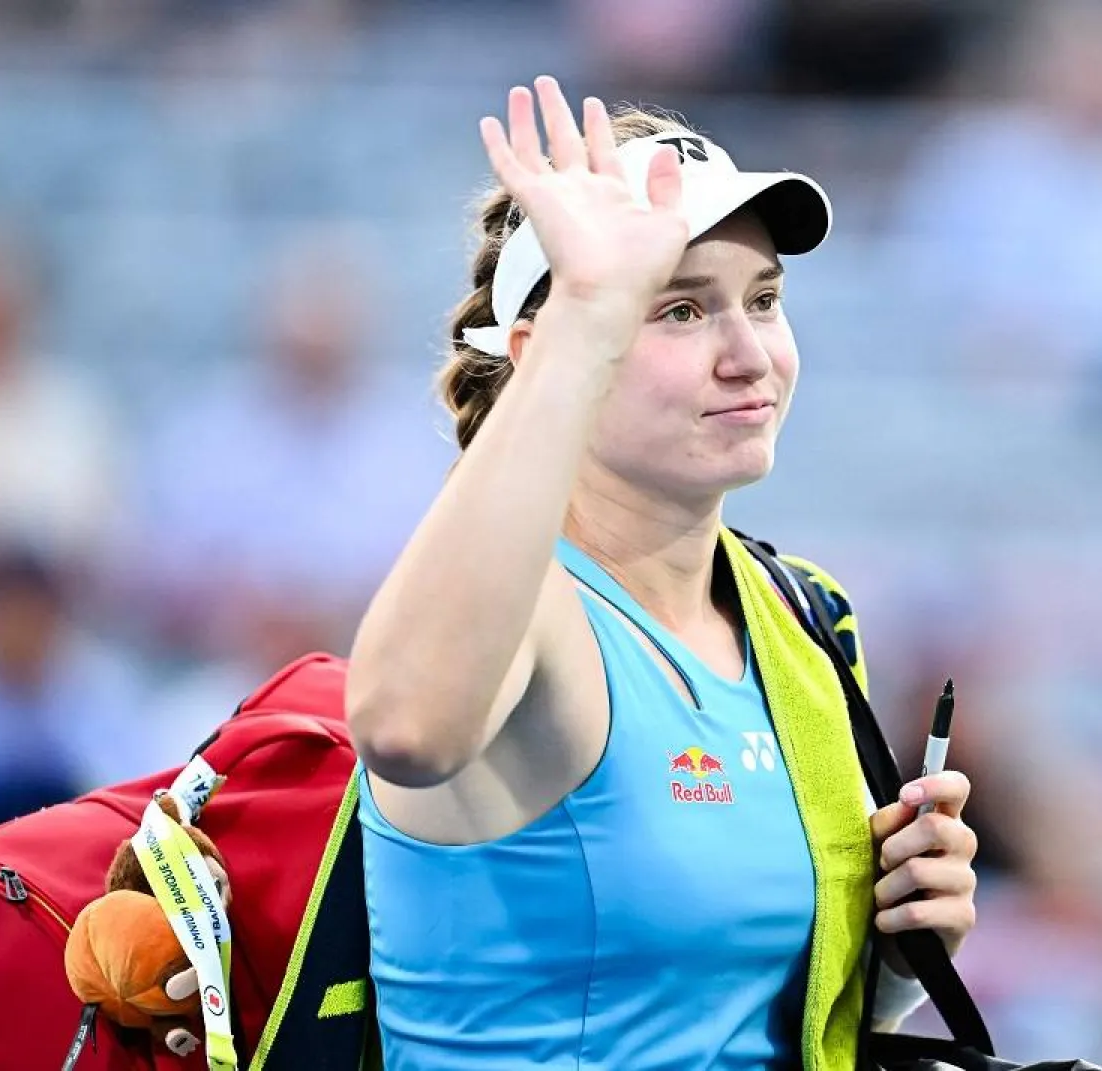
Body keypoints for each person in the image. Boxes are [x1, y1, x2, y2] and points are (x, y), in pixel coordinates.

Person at [345, 76, 981, 1069]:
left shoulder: (798, 612)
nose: (748, 355)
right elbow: (403, 728)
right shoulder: (533, 613)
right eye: (679, 311)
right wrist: (589, 318)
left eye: (763, 301)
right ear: (539, 349)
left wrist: (898, 961)